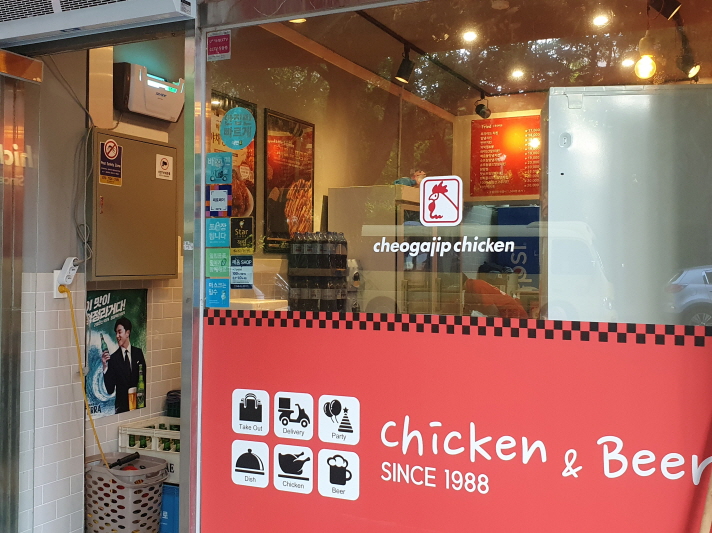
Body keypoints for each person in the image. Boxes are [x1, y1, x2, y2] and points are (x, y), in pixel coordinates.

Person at [102, 317, 147, 414]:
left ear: (127, 333)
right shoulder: (113, 358)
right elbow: (110, 390)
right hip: (121, 409)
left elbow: (144, 378)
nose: (117, 336)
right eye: (116, 333)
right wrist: (105, 366)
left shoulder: (138, 353)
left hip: (138, 406)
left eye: (119, 332)